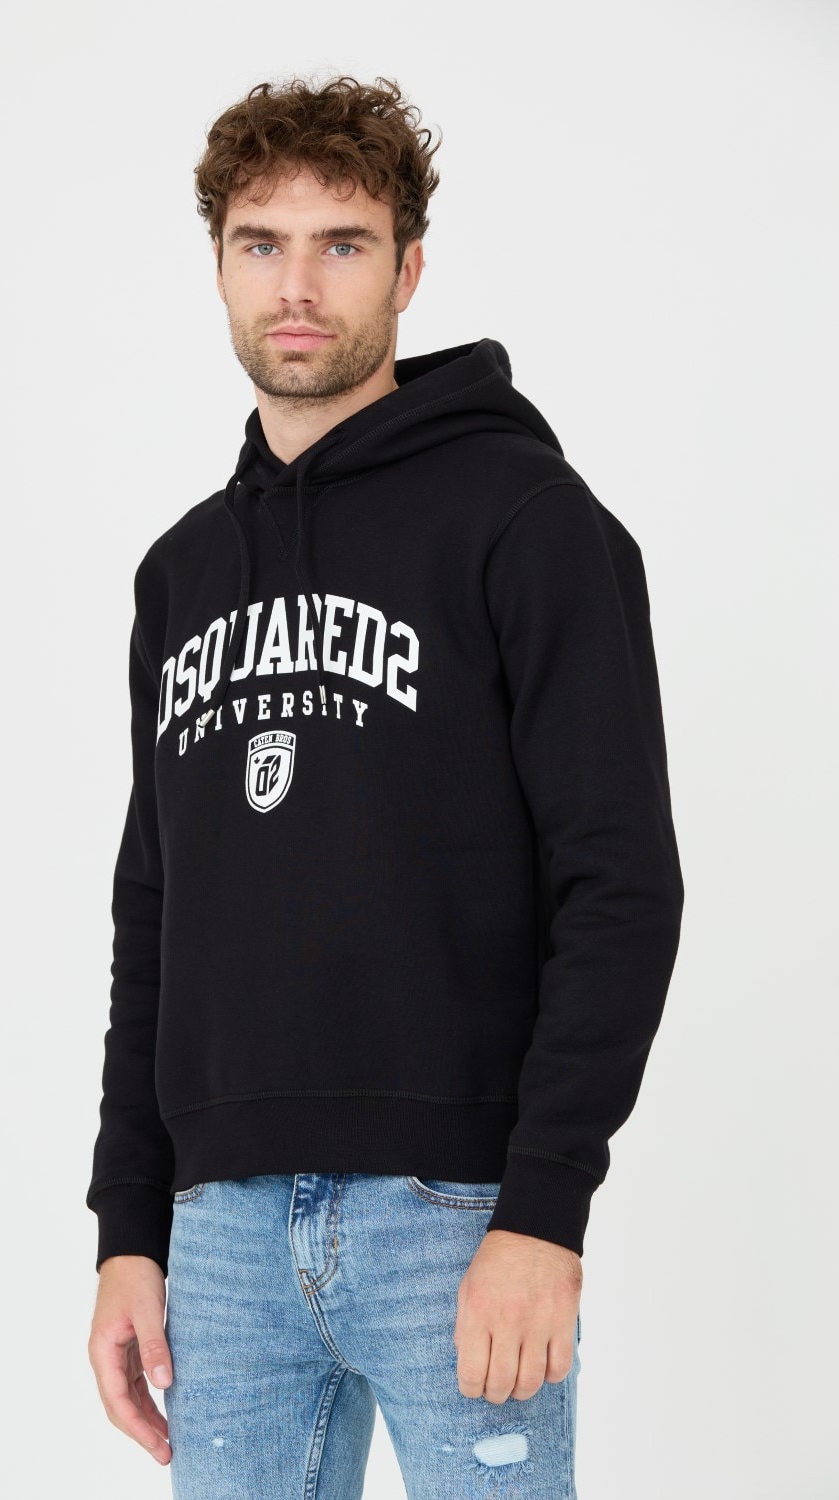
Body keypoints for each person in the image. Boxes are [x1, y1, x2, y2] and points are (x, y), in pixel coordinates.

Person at [86, 74, 684, 1498]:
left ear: (408, 269)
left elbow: (619, 882)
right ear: (219, 265)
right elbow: (154, 913)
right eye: (261, 243)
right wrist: (128, 1226)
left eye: (342, 244)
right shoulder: (181, 573)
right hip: (220, 1232)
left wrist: (545, 1207)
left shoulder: (528, 523)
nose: (297, 286)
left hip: (457, 1215)